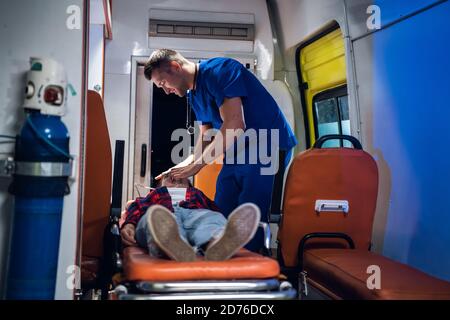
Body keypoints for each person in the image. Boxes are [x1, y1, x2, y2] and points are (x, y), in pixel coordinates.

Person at [144, 49, 297, 252]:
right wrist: (180, 167)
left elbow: (235, 123)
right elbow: (206, 139)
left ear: (175, 67)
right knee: (221, 208)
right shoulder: (194, 96)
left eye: (163, 83)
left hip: (266, 147)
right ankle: (219, 261)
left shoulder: (221, 70)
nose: (165, 91)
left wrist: (197, 166)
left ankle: (250, 271)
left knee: (248, 214)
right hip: (237, 152)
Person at [120, 175, 260, 261]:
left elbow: (214, 211)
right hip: (162, 214)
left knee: (212, 219)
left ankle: (217, 243)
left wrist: (223, 224)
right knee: (154, 219)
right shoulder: (152, 196)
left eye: (181, 179)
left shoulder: (196, 194)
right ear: (157, 186)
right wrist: (129, 225)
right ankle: (169, 244)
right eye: (169, 177)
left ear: (190, 185)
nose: (175, 179)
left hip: (195, 214)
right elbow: (136, 209)